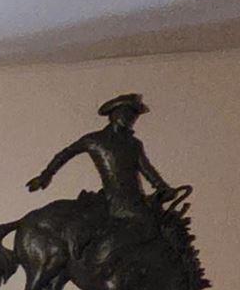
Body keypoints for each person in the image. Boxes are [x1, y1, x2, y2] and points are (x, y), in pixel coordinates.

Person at [27, 94, 181, 221]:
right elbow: (66, 154)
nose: (132, 119)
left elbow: (146, 169)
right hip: (117, 199)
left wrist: (162, 187)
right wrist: (46, 175)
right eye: (129, 113)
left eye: (133, 115)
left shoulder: (133, 144)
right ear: (116, 114)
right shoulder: (95, 140)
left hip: (135, 197)